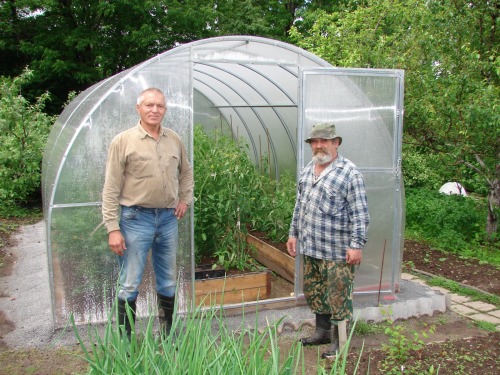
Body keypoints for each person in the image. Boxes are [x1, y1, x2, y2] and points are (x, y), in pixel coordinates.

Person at [102, 87, 194, 339]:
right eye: (149, 105)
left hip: (167, 219)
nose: (155, 110)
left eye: (160, 106)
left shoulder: (174, 139)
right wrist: (113, 228)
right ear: (138, 108)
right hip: (135, 219)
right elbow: (111, 186)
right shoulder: (123, 141)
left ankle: (168, 334)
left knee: (167, 280)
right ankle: (126, 341)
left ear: (165, 109)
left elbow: (186, 172)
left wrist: (185, 199)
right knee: (130, 282)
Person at [286, 123, 370, 358]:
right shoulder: (308, 169)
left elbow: (360, 214)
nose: (319, 145)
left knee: (338, 297)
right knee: (316, 292)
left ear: (336, 143)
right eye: (315, 141)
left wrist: (356, 246)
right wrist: (293, 234)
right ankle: (322, 333)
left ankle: (340, 343)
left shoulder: (349, 173)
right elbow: (299, 205)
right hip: (312, 248)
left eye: (324, 140)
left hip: (337, 253)